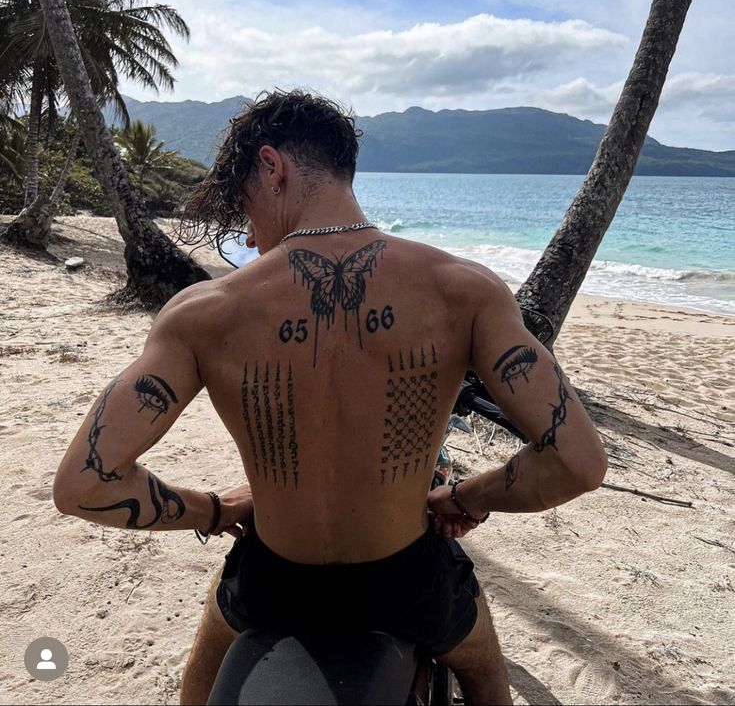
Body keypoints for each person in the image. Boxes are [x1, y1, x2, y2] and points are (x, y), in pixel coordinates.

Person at [53, 89, 607, 705]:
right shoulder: (464, 291)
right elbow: (578, 463)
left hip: (275, 580)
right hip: (407, 580)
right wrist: (460, 497)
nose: (248, 227)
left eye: (243, 203)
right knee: (481, 668)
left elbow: (85, 485)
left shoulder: (207, 312)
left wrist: (213, 511)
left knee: (203, 678)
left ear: (272, 166)